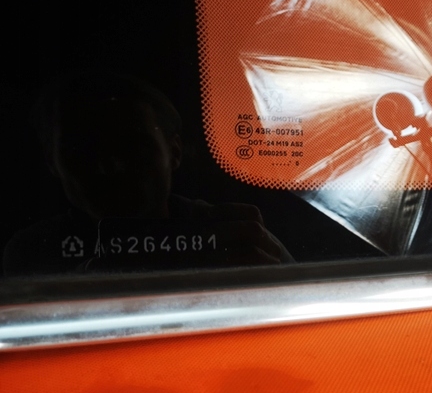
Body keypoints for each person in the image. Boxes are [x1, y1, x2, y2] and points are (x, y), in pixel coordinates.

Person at [3, 71, 292, 276]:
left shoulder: (232, 233)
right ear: (53, 163)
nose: (112, 166)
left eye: (133, 145)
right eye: (82, 150)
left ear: (174, 152)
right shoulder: (32, 251)